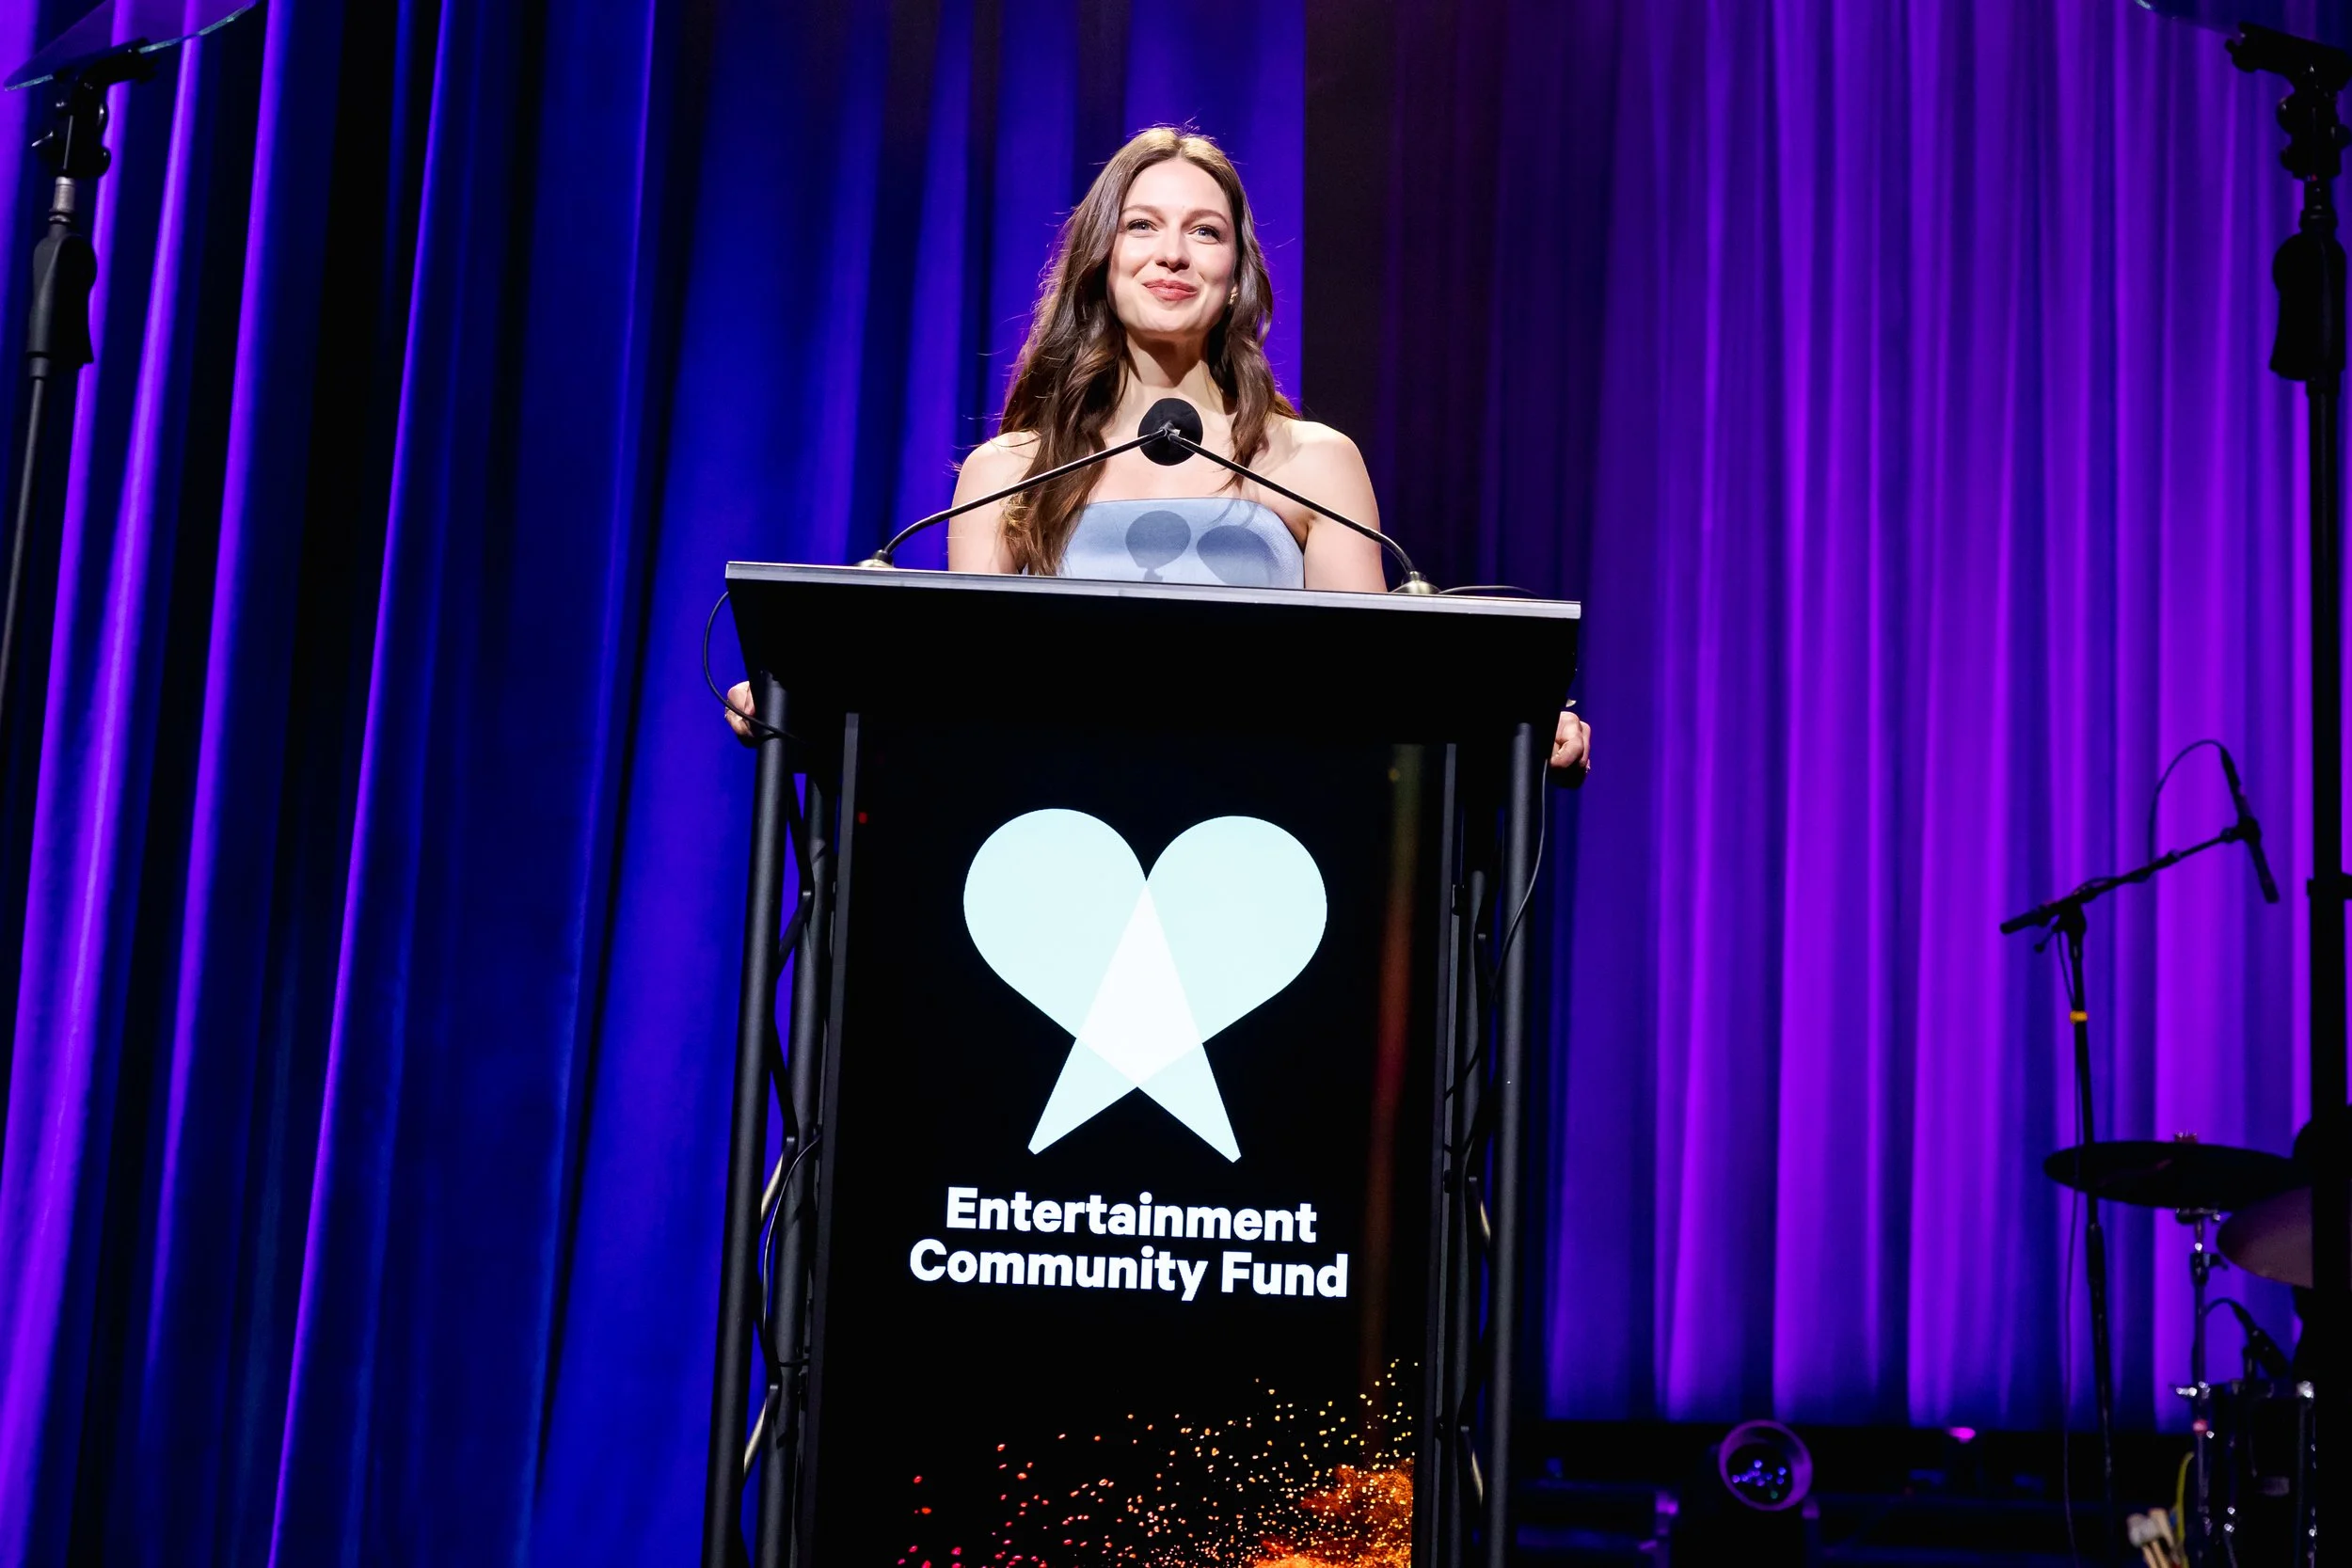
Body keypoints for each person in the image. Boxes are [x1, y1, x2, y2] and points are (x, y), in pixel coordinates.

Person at [726, 125, 1590, 782]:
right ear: (1104, 257)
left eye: (1205, 232)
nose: (1173, 253)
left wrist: (1507, 726)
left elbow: (1379, 711)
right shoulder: (1008, 471)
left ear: (1237, 273)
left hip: (1274, 832)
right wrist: (806, 708)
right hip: (1050, 833)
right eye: (1143, 225)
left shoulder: (1311, 462)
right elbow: (959, 706)